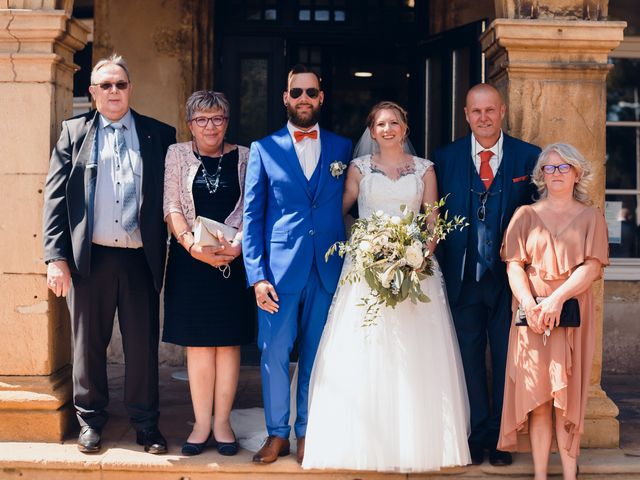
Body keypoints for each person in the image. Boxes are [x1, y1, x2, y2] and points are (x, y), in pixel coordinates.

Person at [302, 101, 471, 472]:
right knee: (367, 349)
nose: (388, 129)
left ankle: (416, 443)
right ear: (372, 130)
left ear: (406, 128)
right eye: (381, 124)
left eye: (395, 122)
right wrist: (366, 245)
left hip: (416, 267)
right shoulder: (359, 168)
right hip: (366, 268)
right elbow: (340, 209)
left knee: (416, 354)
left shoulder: (425, 169)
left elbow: (431, 221)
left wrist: (418, 255)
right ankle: (361, 441)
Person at [42, 54, 176, 454]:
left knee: (142, 345)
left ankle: (145, 423)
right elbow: (54, 199)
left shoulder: (159, 134)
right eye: (105, 85)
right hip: (91, 258)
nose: (113, 91)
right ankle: (90, 420)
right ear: (93, 91)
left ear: (130, 89)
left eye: (120, 84)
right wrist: (55, 257)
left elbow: (173, 198)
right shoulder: (74, 133)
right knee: (87, 345)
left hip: (140, 257)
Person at [242, 64, 352, 464]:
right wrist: (257, 276)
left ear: (321, 98)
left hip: (326, 268)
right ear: (285, 98)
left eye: (311, 92)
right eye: (297, 92)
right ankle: (277, 434)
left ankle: (306, 431)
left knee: (316, 353)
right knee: (272, 352)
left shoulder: (342, 148)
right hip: (278, 272)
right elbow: (252, 218)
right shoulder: (263, 149)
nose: (304, 98)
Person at [432, 83, 541, 466]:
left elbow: (542, 217)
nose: (484, 118)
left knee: (510, 359)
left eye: (490, 110)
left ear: (502, 111)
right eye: (476, 112)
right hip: (462, 279)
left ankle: (501, 436)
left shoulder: (529, 157)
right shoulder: (444, 159)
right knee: (469, 359)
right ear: (466, 115)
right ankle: (477, 434)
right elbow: (433, 218)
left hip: (511, 281)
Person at [498, 143, 609, 480]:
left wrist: (557, 299)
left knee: (567, 399)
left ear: (577, 173)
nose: (557, 174)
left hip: (571, 313)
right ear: (540, 175)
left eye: (564, 168)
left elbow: (591, 268)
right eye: (550, 168)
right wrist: (531, 304)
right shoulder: (525, 216)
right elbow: (514, 265)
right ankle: (541, 476)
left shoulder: (592, 217)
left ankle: (570, 475)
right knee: (540, 400)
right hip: (532, 316)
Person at [162, 91, 254, 456]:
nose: (210, 126)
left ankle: (222, 424)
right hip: (190, 263)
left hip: (234, 259)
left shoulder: (245, 156)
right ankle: (201, 425)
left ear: (226, 122)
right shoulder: (177, 154)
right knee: (199, 345)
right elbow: (171, 204)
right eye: (201, 120)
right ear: (190, 124)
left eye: (217, 119)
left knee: (228, 342)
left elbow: (253, 205)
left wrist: (239, 245)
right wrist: (191, 245)